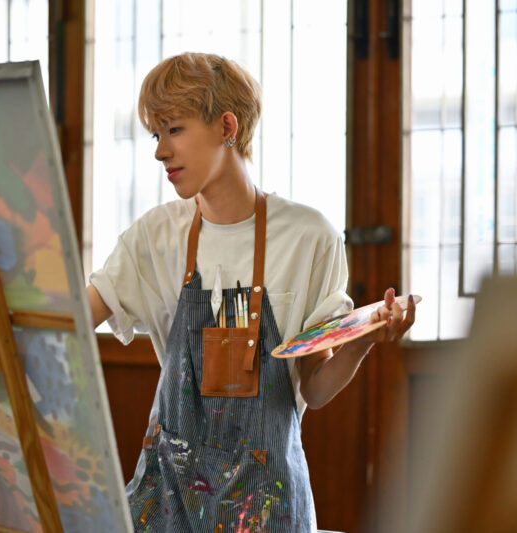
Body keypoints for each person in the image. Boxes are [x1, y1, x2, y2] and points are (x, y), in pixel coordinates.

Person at [87, 52, 415, 532]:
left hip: (269, 505)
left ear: (227, 126)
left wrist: (365, 338)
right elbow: (71, 320)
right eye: (156, 135)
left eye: (174, 130)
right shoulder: (154, 237)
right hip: (169, 507)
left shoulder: (309, 237)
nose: (160, 151)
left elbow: (315, 389)